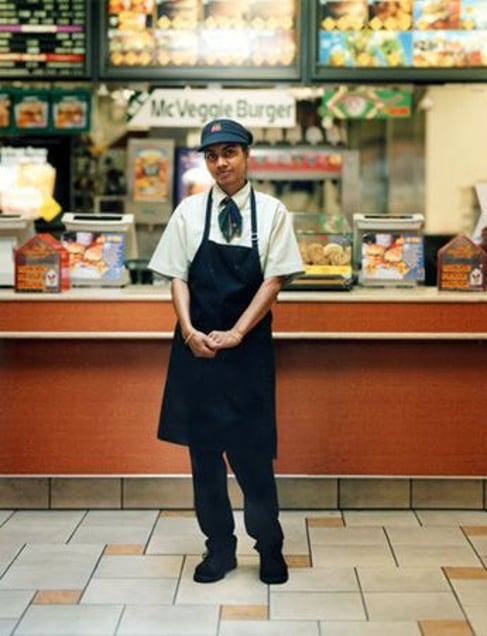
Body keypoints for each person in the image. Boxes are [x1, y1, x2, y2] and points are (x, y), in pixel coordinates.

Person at [149, 118, 304, 585]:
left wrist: (237, 332)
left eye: (229, 153)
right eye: (212, 156)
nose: (221, 164)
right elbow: (177, 276)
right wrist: (188, 330)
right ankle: (219, 549)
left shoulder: (273, 212)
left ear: (247, 156)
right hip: (196, 352)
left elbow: (273, 281)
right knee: (204, 460)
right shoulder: (189, 212)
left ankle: (269, 546)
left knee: (253, 457)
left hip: (247, 352)